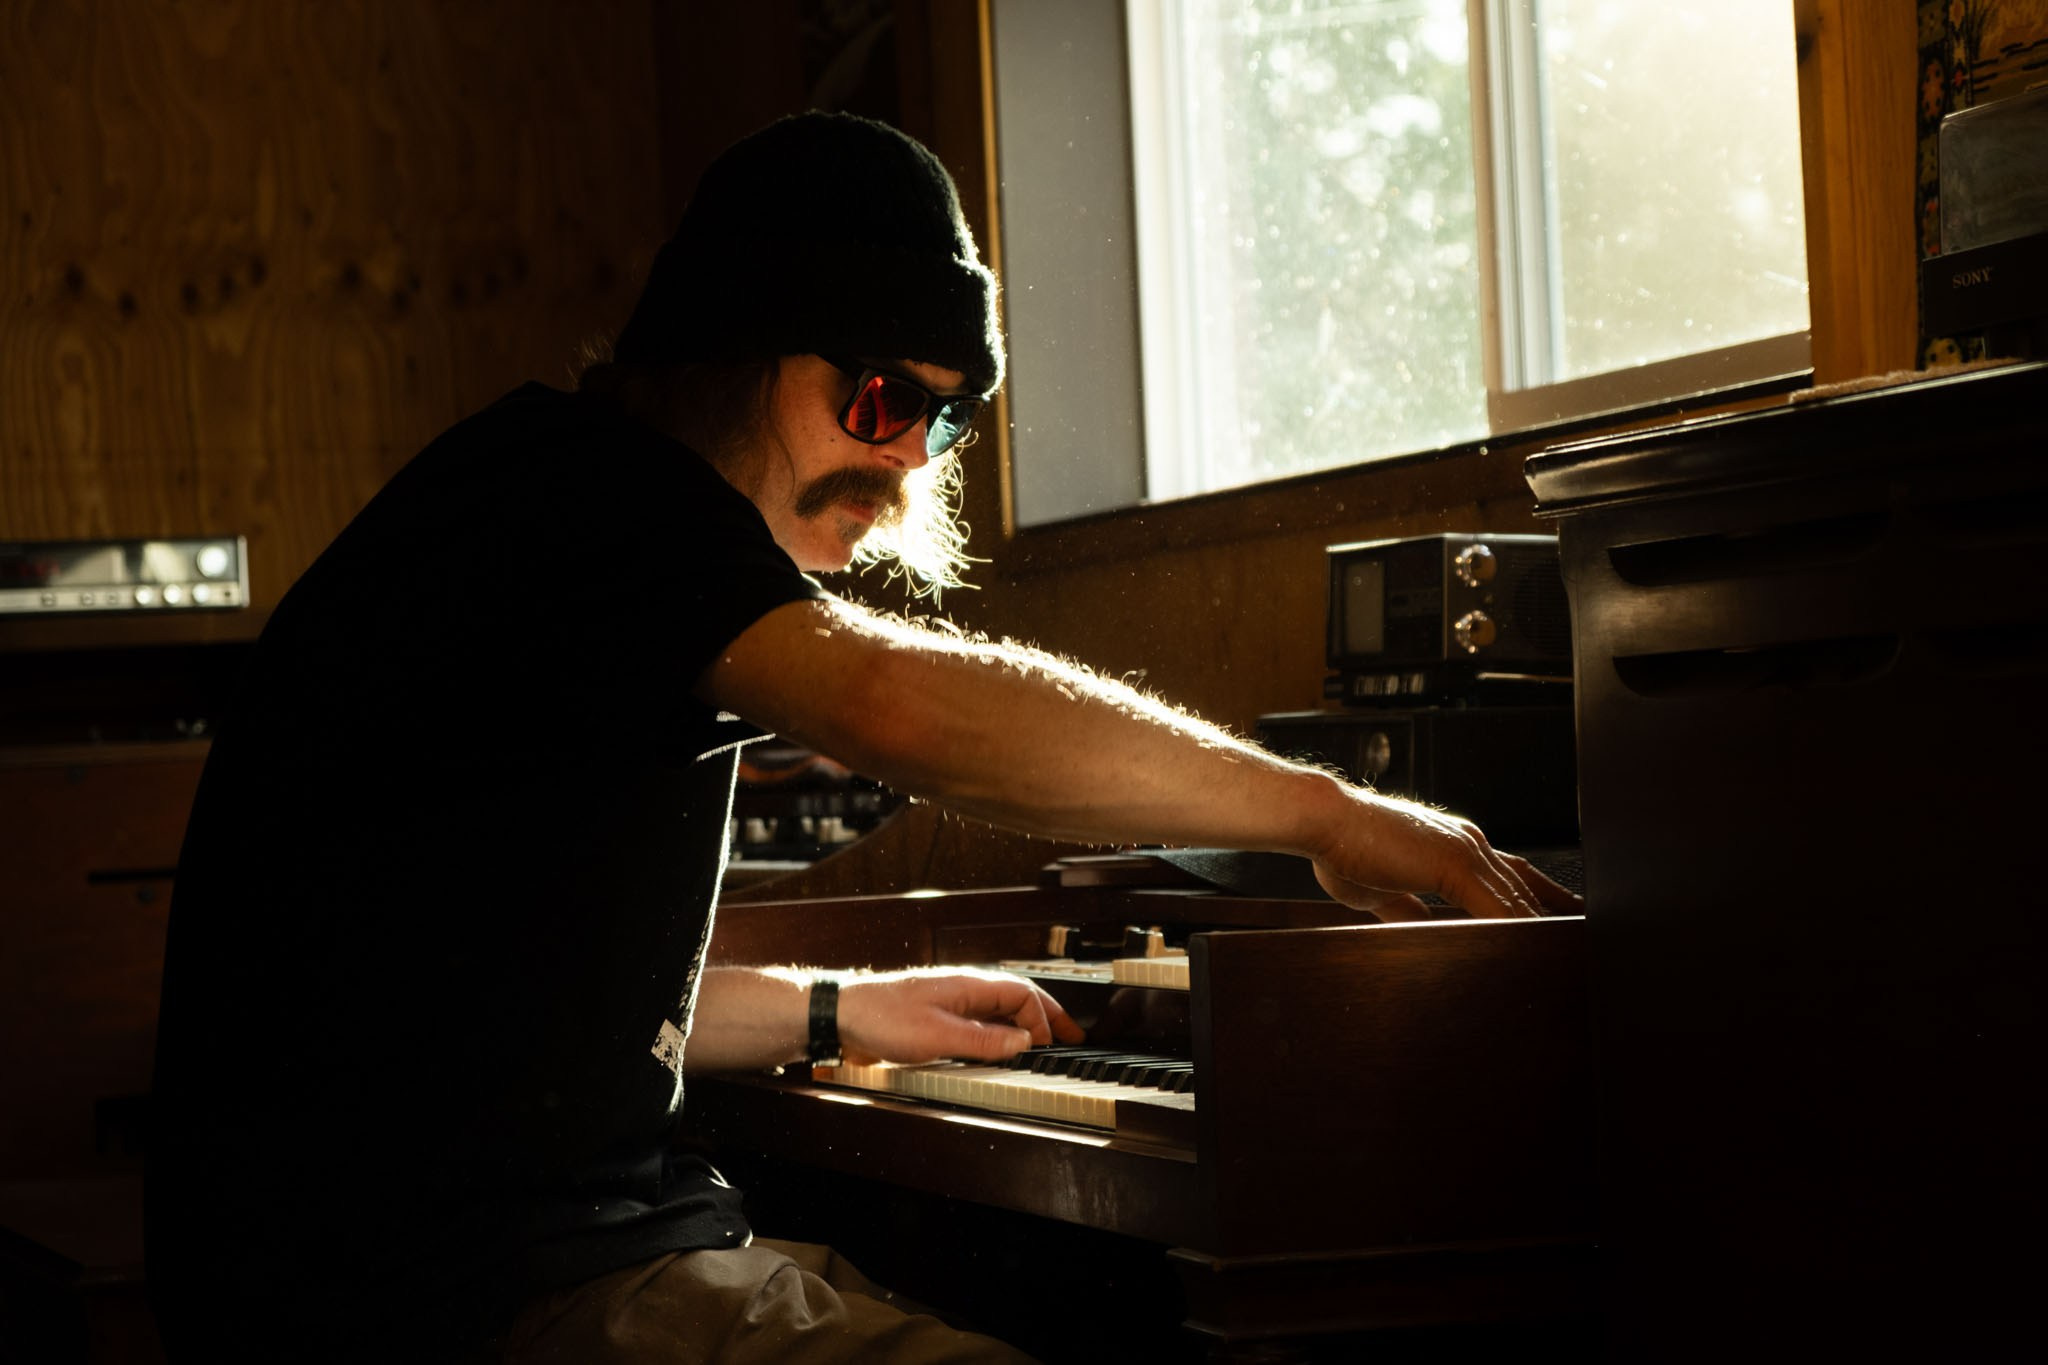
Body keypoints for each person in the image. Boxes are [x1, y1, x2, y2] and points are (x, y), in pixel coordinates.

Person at [146, 112, 1576, 1364]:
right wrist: (1338, 815)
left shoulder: (557, 526)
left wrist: (839, 1005)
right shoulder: (599, 503)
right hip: (445, 1302)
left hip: (504, 1257)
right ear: (731, 350)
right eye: (881, 398)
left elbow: (509, 1008)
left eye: (942, 431)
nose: (902, 466)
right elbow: (896, 704)